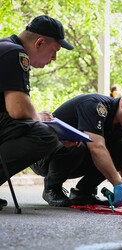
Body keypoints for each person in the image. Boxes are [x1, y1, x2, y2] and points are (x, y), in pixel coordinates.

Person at [31, 84, 122, 208]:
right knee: (79, 144)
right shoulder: (95, 105)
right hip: (43, 156)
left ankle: (83, 192)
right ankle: (52, 188)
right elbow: (97, 148)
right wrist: (117, 184)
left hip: (73, 159)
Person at [0, 15, 74, 210]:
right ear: (40, 42)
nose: (54, 58)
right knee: (45, 135)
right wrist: (45, 122)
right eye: (54, 51)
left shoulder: (5, 47)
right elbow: (18, 110)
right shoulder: (15, 53)